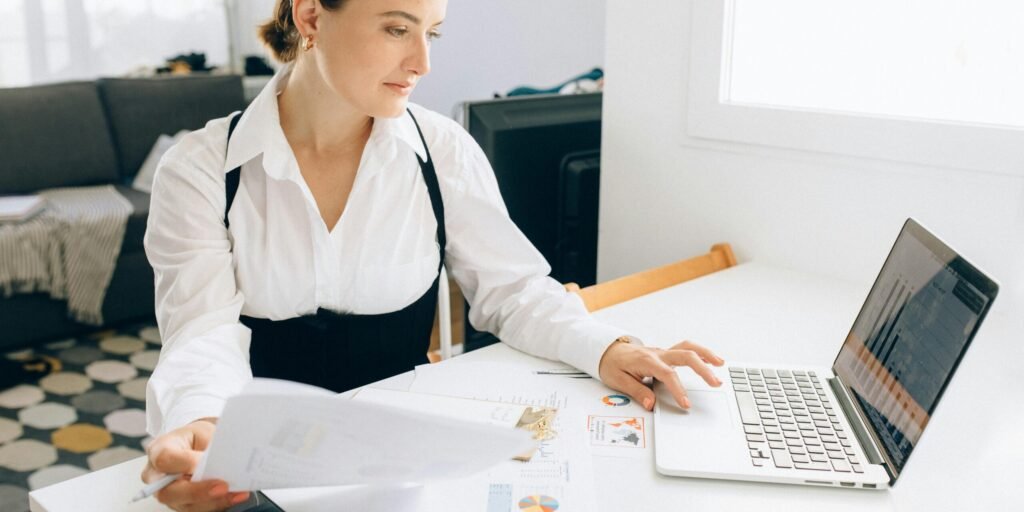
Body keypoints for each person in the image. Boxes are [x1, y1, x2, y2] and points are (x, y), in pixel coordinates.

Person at [140, 0, 724, 510]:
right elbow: (201, 333)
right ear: (312, 15)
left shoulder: (442, 151)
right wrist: (202, 429)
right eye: (397, 29)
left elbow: (513, 291)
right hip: (255, 470)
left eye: (433, 32)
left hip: (395, 472)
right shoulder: (201, 170)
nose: (423, 62)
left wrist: (607, 347)